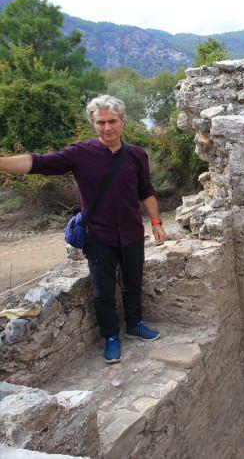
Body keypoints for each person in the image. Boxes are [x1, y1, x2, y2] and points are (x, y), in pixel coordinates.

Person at [0, 95, 166, 364]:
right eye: (100, 122)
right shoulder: (80, 154)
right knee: (102, 291)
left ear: (122, 121)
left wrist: (156, 223)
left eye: (112, 121)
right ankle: (111, 337)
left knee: (134, 283)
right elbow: (38, 162)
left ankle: (135, 325)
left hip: (132, 232)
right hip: (98, 236)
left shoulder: (136, 155)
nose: (107, 127)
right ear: (93, 122)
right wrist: (2, 163)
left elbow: (146, 191)